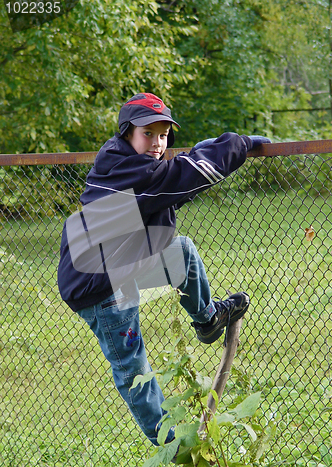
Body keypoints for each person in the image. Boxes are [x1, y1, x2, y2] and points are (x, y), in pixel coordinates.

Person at [57, 92, 271, 447]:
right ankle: (173, 444)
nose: (158, 143)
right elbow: (185, 174)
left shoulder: (122, 162)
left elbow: (170, 183)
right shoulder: (130, 171)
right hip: (97, 286)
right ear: (128, 133)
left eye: (164, 134)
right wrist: (239, 144)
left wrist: (201, 149)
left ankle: (208, 320)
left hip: (118, 263)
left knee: (180, 251)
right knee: (134, 370)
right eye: (149, 134)